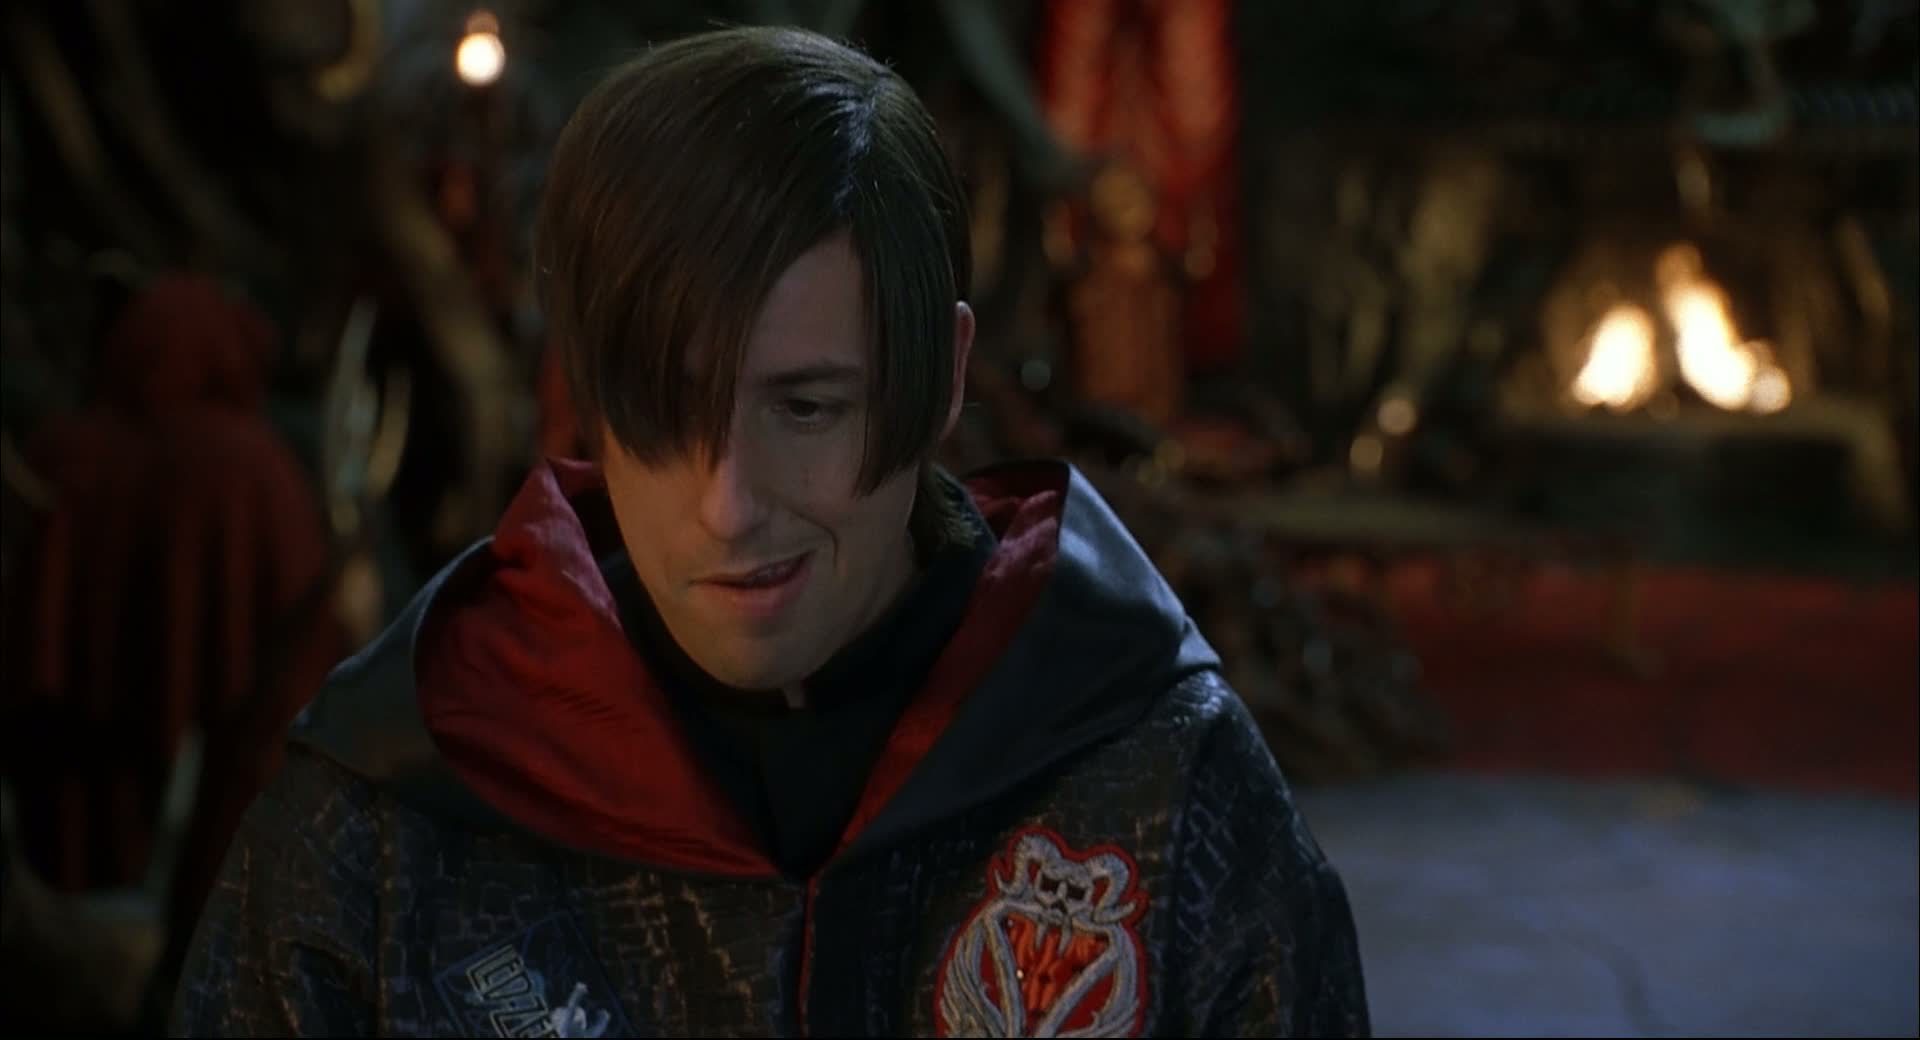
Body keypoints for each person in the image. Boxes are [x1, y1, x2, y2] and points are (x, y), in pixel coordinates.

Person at [169, 25, 1370, 1038]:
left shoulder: (1160, 786)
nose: (729, 503)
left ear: (941, 378)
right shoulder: (395, 813)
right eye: (662, 410)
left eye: (805, 408)